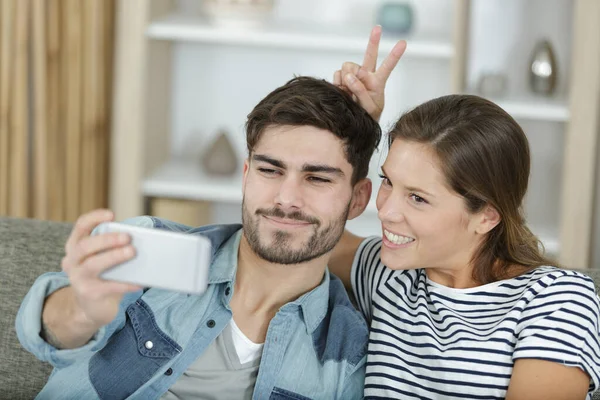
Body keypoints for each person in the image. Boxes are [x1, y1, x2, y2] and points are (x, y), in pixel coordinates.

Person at [15, 71, 408, 399]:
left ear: (358, 200)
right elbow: (47, 330)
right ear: (246, 175)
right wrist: (81, 310)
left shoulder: (347, 354)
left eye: (317, 178)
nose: (286, 199)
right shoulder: (154, 247)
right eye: (269, 170)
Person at [329, 29, 600, 400]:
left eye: (418, 198)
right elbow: (299, 228)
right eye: (388, 181)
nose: (386, 211)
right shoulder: (387, 275)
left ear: (486, 217)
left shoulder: (555, 300)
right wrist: (354, 128)